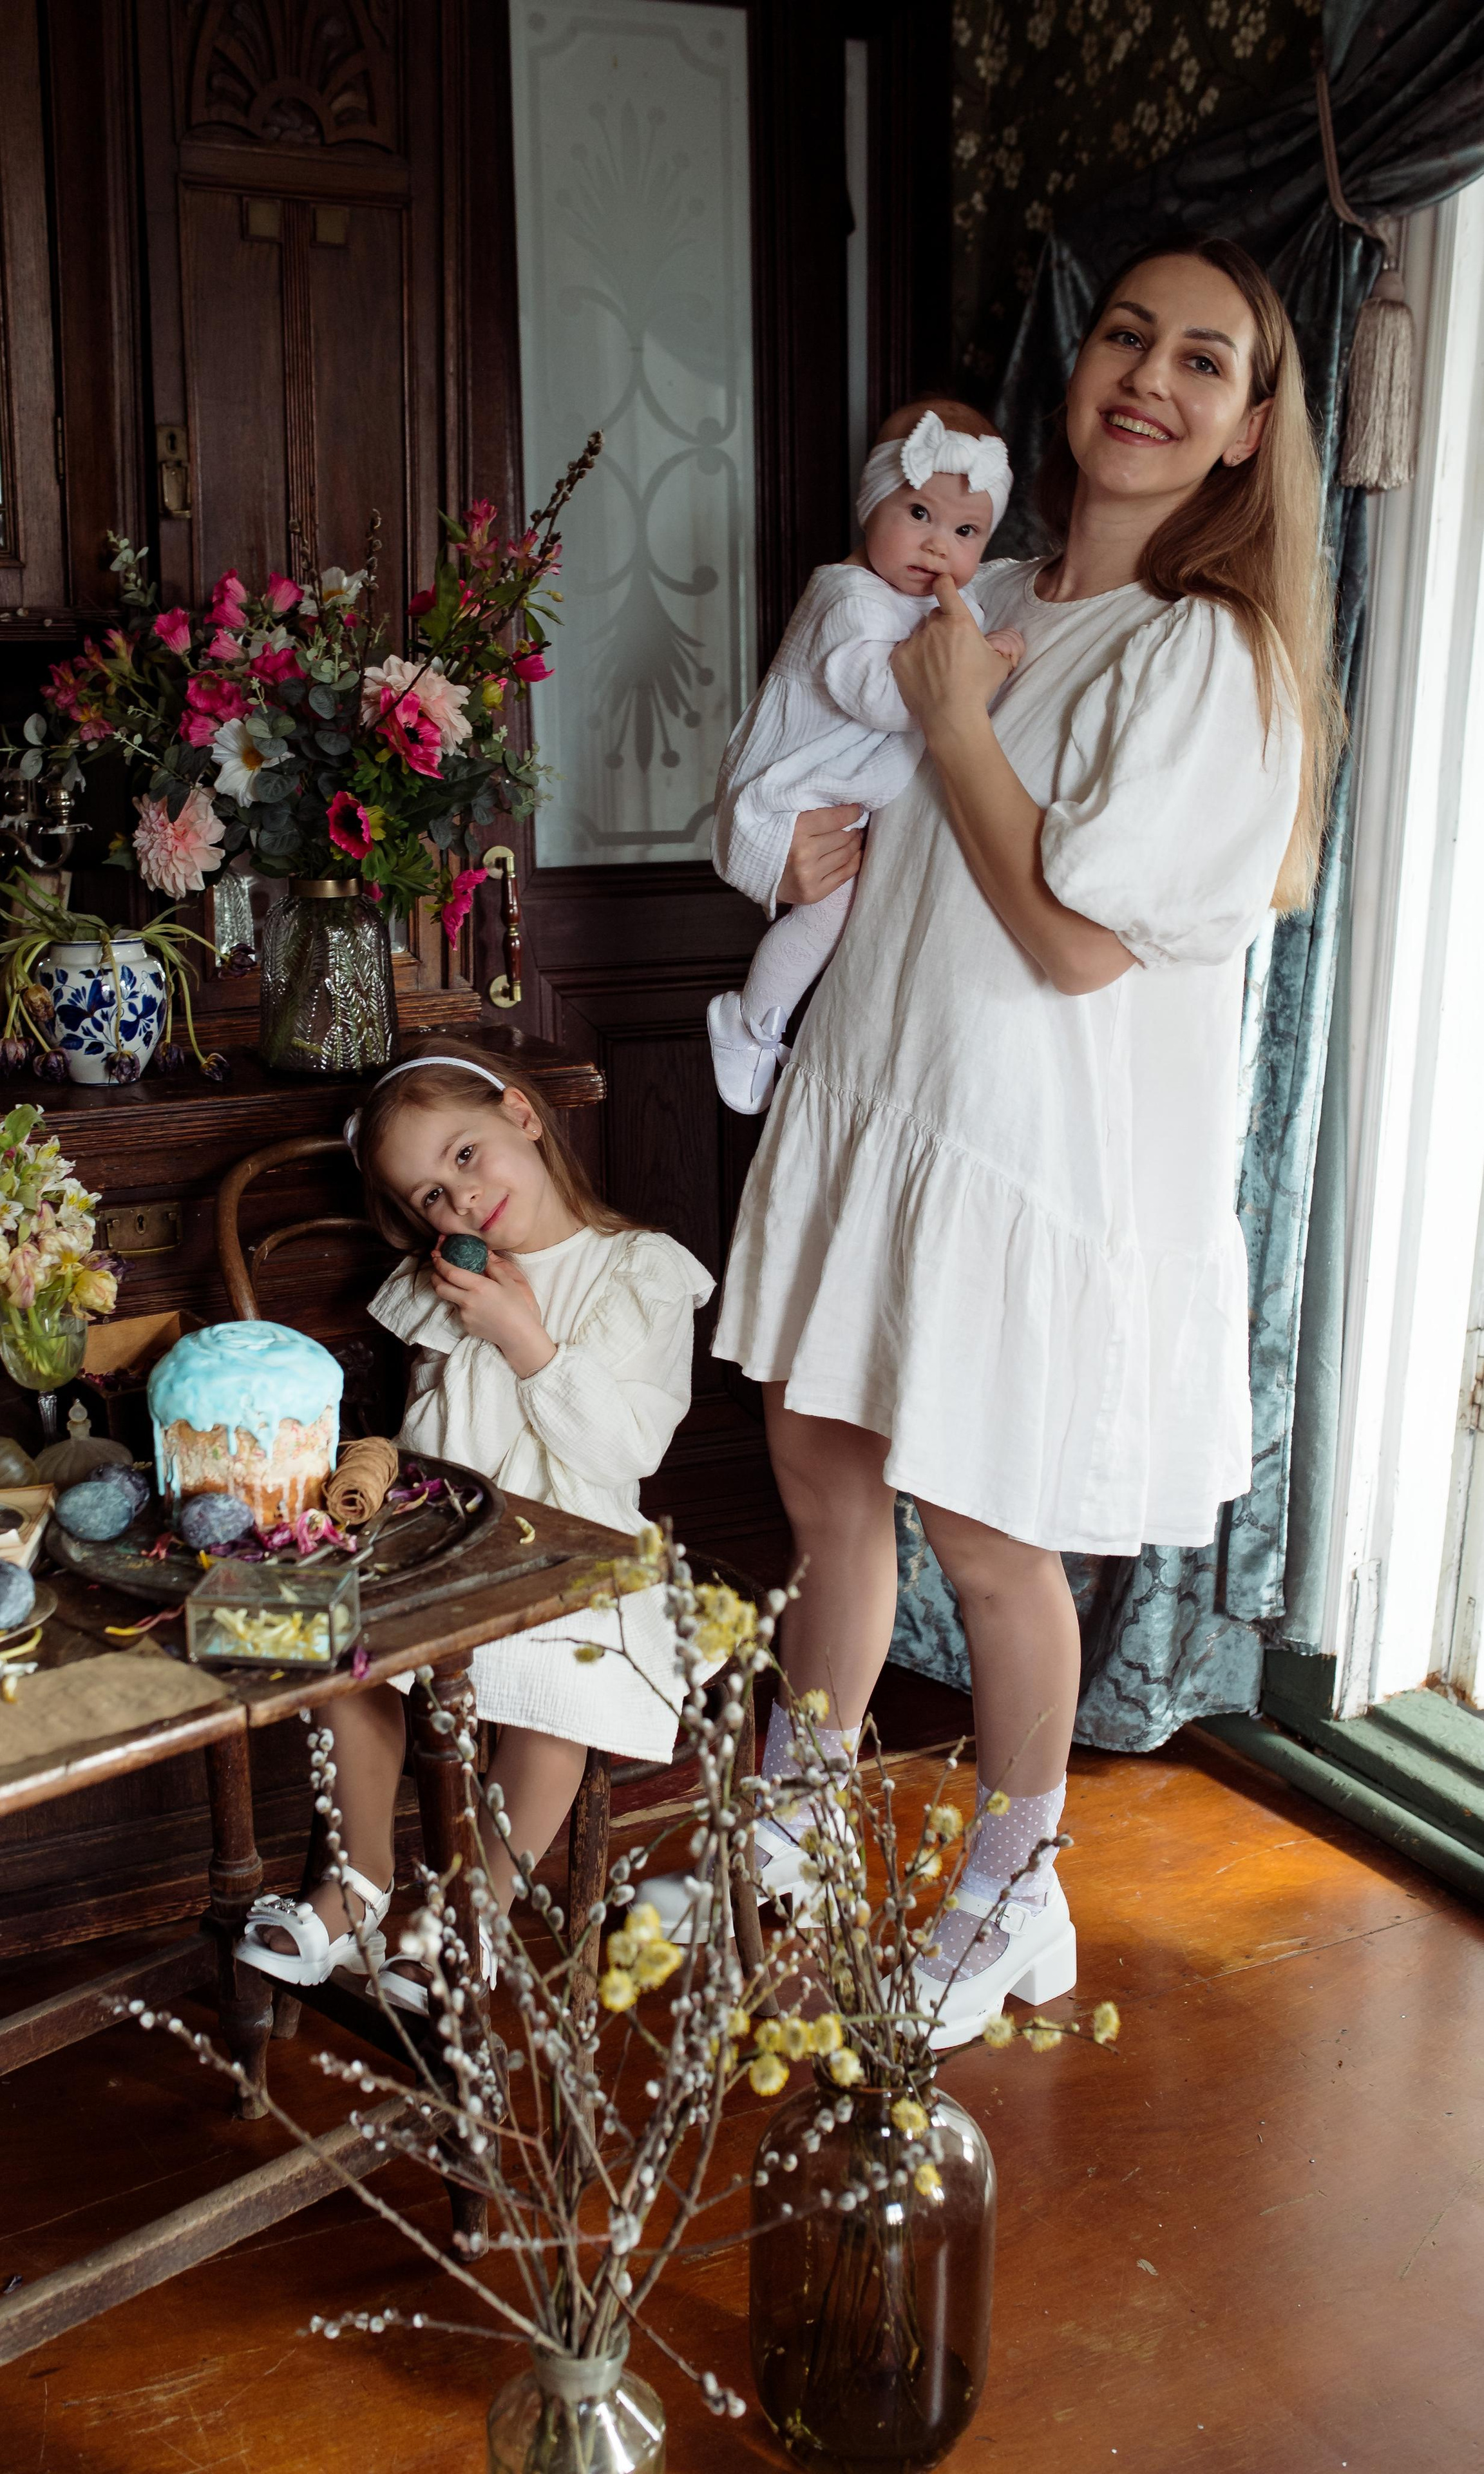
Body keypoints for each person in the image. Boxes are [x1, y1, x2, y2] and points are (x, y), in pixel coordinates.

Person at [710, 238, 1342, 2044]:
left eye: (1203, 362)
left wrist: (957, 722)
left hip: (1030, 1162)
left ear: (1243, 432)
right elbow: (851, 822)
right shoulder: (998, 598)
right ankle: (787, 1824)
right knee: (825, 1477)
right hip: (892, 1102)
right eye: (1128, 335)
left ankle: (1016, 1897)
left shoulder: (1211, 656)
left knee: (991, 1541)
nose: (1150, 375)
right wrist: (809, 851)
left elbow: (1074, 941)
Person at [236, 1041, 713, 1999]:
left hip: (576, 1547)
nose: (459, 1204)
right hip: (440, 1537)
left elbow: (628, 1453)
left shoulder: (639, 1272)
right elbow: (432, 1437)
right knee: (349, 1654)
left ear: (523, 1117)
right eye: (429, 1198)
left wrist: (525, 1339)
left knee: (557, 1689)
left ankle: (477, 1912)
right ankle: (357, 1883)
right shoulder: (438, 1284)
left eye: (464, 1157)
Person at [707, 401, 1025, 1114]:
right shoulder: (850, 598)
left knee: (836, 918)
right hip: (799, 790)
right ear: (870, 504)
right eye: (918, 514)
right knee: (823, 919)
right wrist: (980, 668)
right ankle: (752, 1023)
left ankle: (758, 1021)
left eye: (965, 530)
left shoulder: (926, 595)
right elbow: (883, 699)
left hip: (840, 795)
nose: (938, 546)